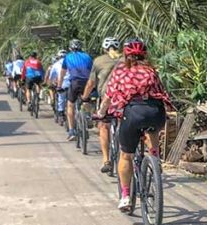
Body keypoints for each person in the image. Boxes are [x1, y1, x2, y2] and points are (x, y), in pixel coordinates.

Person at [98, 38, 173, 212]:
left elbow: (109, 96)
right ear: (145, 54)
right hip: (155, 113)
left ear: (126, 54)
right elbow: (162, 92)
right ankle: (154, 157)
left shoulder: (121, 70)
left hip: (133, 114)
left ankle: (125, 197)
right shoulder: (151, 70)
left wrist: (101, 113)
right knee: (152, 128)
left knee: (126, 156)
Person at [83, 36, 122, 172]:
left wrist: (85, 97)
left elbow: (91, 83)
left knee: (104, 127)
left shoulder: (98, 61)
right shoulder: (126, 59)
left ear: (104, 49)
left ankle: (106, 160)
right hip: (125, 98)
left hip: (107, 98)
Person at [61, 39, 93, 141]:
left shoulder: (67, 57)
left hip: (74, 82)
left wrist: (59, 85)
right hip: (87, 82)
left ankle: (71, 131)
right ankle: (87, 116)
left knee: (70, 104)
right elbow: (92, 70)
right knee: (86, 99)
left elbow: (62, 73)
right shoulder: (87, 56)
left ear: (70, 48)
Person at [46, 49, 67, 121]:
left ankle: (61, 112)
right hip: (72, 83)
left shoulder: (55, 65)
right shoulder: (71, 62)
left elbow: (50, 76)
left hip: (61, 84)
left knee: (61, 96)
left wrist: (49, 82)